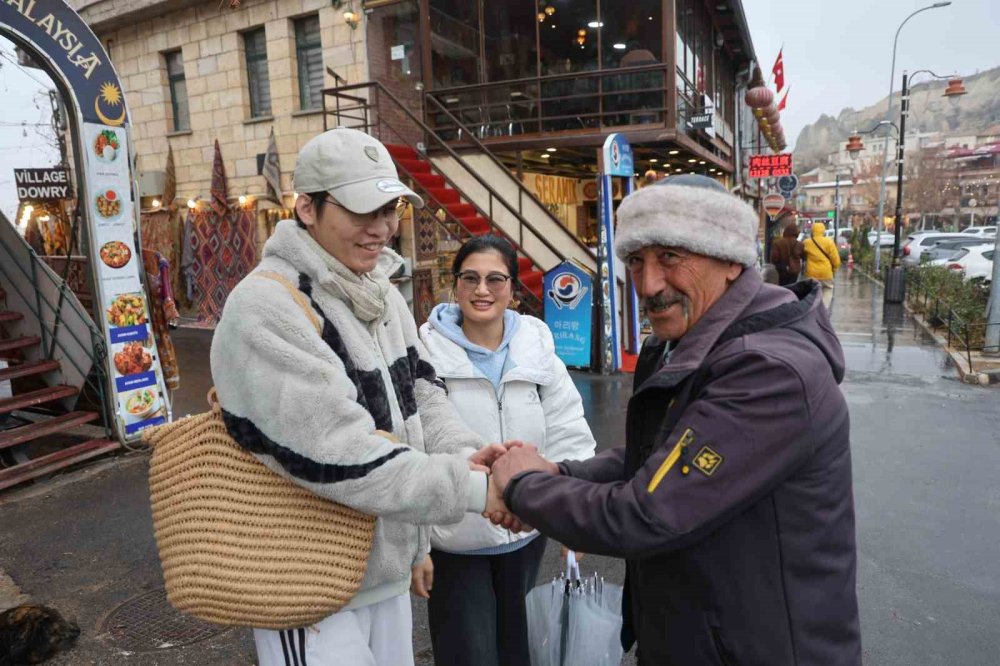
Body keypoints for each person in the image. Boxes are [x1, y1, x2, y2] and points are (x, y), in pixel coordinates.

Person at [486, 175, 861, 665]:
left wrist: (521, 486)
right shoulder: (679, 343)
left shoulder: (769, 372)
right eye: (636, 261)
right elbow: (658, 457)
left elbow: (645, 514)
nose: (648, 285)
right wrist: (561, 473)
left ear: (729, 259)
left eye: (670, 257)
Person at [210, 128, 508, 666]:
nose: (381, 229)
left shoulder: (378, 292)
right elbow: (337, 451)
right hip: (305, 584)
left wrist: (466, 459)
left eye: (389, 208)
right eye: (361, 211)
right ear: (307, 208)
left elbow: (421, 395)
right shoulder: (265, 307)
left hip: (383, 571)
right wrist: (469, 488)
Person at [418, 235, 596, 666]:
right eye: (471, 278)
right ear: (455, 286)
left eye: (495, 279)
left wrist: (575, 520)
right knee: (470, 655)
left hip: (524, 533)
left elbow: (569, 430)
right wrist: (415, 543)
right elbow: (414, 447)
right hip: (455, 538)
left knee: (522, 652)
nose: (482, 290)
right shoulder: (423, 352)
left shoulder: (536, 349)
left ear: (514, 291)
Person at [802, 221, 841, 308]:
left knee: (812, 292)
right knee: (827, 290)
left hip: (811, 273)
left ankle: (812, 308)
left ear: (812, 231)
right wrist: (834, 268)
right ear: (823, 231)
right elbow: (835, 258)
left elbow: (803, 256)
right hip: (826, 272)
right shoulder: (829, 242)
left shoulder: (807, 242)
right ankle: (823, 309)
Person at [770, 220, 803, 286]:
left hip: (781, 270)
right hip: (794, 270)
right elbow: (803, 257)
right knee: (792, 287)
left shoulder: (777, 243)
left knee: (782, 287)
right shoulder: (800, 244)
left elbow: (774, 258)